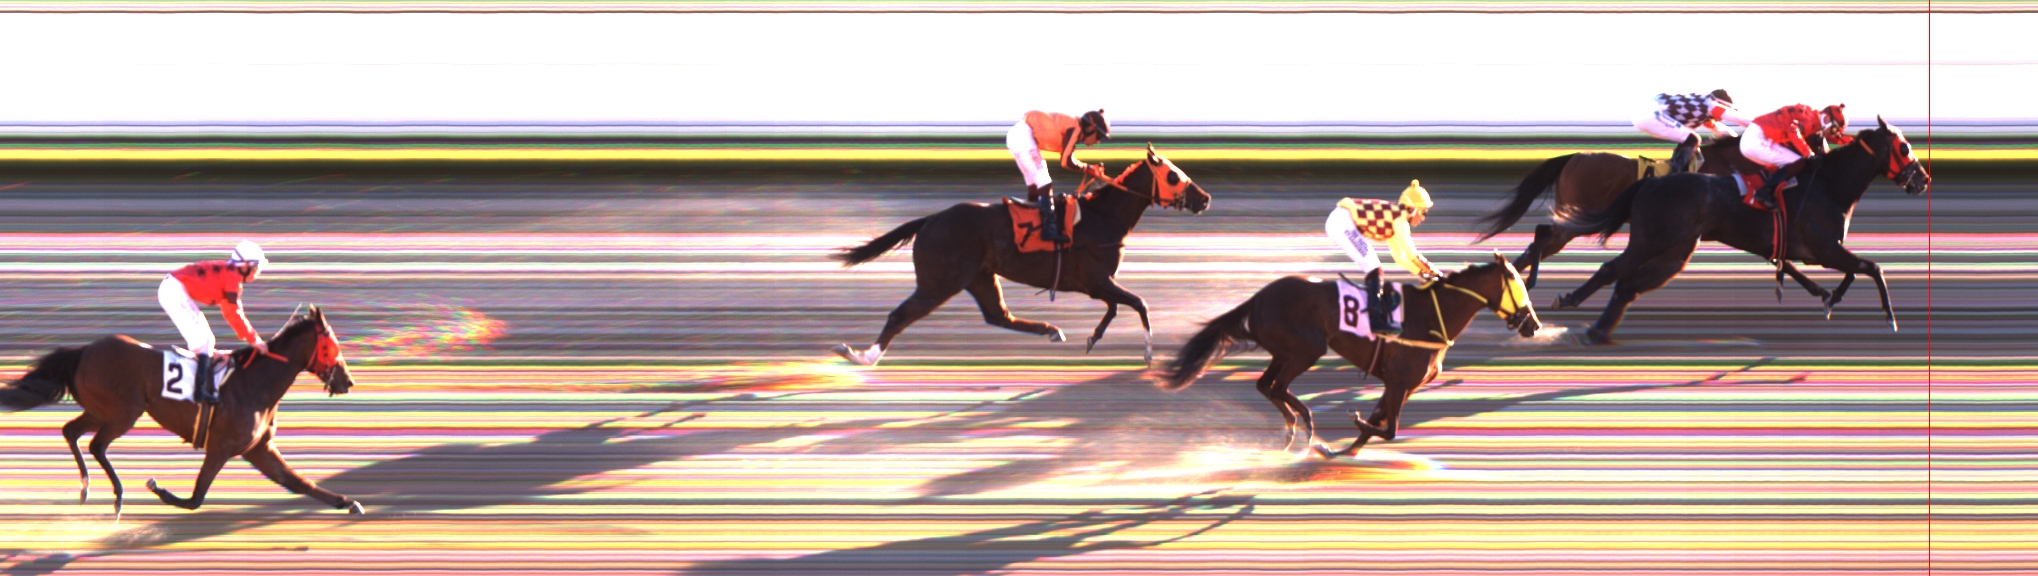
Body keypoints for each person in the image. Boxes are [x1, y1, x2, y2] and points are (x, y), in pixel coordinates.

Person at [159, 240, 269, 405]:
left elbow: (229, 312)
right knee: (205, 340)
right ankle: (199, 392)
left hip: (173, 288)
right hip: (173, 290)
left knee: (206, 341)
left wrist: (250, 337)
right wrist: (254, 340)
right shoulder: (232, 278)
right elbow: (234, 313)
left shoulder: (230, 274)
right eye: (256, 267)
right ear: (245, 265)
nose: (257, 272)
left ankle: (197, 382)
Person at [1325, 180, 1440, 334]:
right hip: (1342, 222)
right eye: (1423, 212)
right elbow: (1412, 255)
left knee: (1374, 268)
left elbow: (1399, 256)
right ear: (1412, 209)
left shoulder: (1395, 218)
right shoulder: (1400, 220)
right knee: (1374, 269)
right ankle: (1375, 320)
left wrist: (1420, 272)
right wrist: (1435, 272)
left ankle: (1374, 312)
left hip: (1340, 220)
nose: (1423, 218)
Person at [1007, 109, 1110, 242]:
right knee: (1044, 182)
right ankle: (1048, 230)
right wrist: (1088, 168)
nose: (1098, 141)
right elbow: (1066, 161)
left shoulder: (1074, 128)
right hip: (1023, 136)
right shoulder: (1075, 128)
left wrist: (1088, 168)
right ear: (1090, 128)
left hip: (1018, 135)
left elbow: (1068, 158)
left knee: (1035, 185)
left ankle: (1033, 223)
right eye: (1099, 136)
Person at [1740, 103, 1849, 210]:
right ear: (1827, 118)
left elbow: (1835, 137)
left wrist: (1853, 143)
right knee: (1799, 162)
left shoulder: (1813, 116)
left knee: (1794, 161)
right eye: (1834, 130)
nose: (1832, 134)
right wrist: (1809, 155)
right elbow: (1793, 131)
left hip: (1755, 136)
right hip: (1756, 140)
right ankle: (1765, 192)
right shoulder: (1810, 120)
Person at [1634, 89, 1753, 173]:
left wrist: (1736, 142)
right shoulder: (1711, 105)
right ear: (1721, 104)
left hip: (1643, 113)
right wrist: (1760, 126)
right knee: (1693, 139)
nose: (1721, 118)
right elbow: (1740, 119)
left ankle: (1674, 165)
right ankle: (1676, 173)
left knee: (1686, 138)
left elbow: (1720, 130)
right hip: (1651, 113)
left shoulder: (1701, 108)